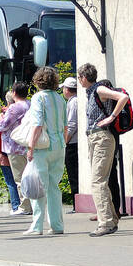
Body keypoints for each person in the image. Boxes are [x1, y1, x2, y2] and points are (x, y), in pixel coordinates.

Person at [77, 63, 130, 237]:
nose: (79, 81)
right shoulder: (92, 92)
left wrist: (111, 118)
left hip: (102, 138)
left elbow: (122, 97)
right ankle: (111, 219)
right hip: (95, 137)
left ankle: (106, 223)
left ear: (84, 77)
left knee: (97, 181)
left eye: (79, 78)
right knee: (101, 181)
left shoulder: (99, 89)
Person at [24, 66, 69, 236]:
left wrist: (31, 147)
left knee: (39, 185)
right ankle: (57, 225)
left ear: (38, 81)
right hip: (59, 146)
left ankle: (37, 226)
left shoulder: (38, 98)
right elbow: (65, 126)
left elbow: (37, 124)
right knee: (53, 187)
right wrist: (62, 143)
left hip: (43, 147)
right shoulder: (60, 99)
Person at [0, 82, 32, 216]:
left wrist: (0, 120)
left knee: (20, 178)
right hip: (28, 144)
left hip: (14, 145)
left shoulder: (14, 107)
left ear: (14, 93)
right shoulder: (30, 104)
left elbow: (3, 126)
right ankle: (31, 205)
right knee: (30, 175)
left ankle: (24, 206)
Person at [62, 76, 79, 204]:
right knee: (74, 173)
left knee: (73, 173)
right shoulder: (75, 100)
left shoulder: (73, 102)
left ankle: (75, 202)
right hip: (75, 142)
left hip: (72, 143)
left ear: (67, 89)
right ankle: (75, 200)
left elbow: (72, 124)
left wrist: (65, 141)